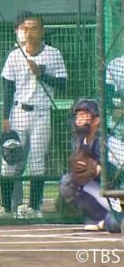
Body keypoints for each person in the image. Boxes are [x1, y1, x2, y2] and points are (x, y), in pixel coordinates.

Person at [0, 11, 67, 218]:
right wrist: (5, 116)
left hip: (41, 113)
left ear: (42, 31)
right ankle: (6, 207)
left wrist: (41, 74)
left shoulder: (53, 53)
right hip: (18, 111)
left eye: (33, 28)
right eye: (25, 28)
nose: (29, 32)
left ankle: (35, 207)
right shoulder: (15, 55)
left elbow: (63, 84)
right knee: (11, 161)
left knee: (37, 162)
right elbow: (7, 87)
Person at [59, 99, 122, 232]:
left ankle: (110, 220)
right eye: (77, 116)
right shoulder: (79, 141)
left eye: (84, 115)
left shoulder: (110, 141)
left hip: (119, 192)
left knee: (115, 224)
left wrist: (101, 169)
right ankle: (100, 218)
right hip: (103, 191)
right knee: (68, 182)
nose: (79, 119)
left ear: (97, 119)